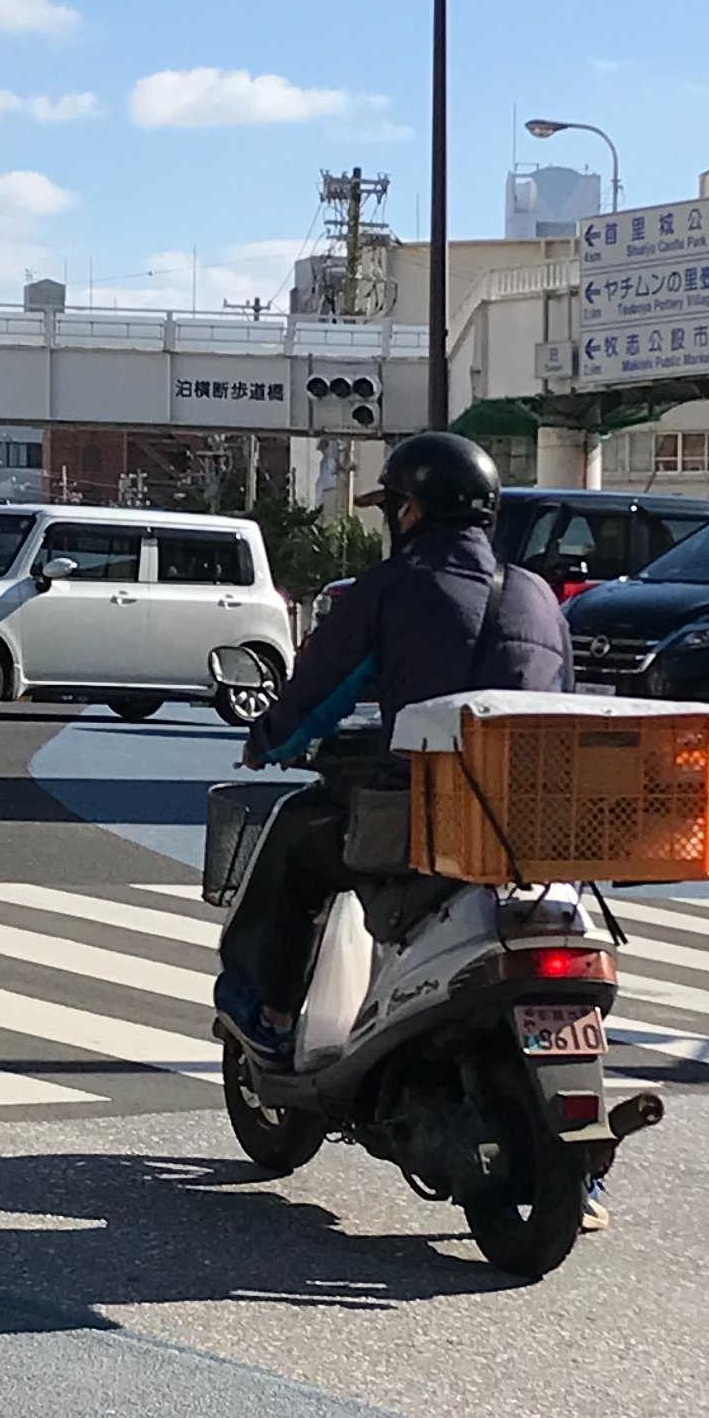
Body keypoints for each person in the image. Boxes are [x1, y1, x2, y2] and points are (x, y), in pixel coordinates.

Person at [212, 432, 571, 1065]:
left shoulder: (392, 586)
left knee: (301, 856)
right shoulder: (538, 596)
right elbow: (560, 702)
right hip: (532, 826)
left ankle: (270, 1015)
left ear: (410, 512)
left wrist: (266, 742)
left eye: (392, 507)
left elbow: (321, 692)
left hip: (427, 822)